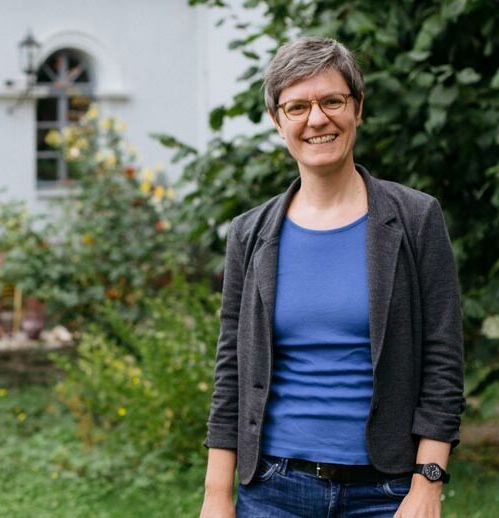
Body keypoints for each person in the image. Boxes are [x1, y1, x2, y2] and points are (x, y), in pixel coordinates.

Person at [199, 36, 464, 518]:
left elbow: (443, 359)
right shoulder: (250, 235)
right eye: (297, 106)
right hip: (273, 490)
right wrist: (217, 495)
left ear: (357, 109)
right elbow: (231, 370)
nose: (316, 118)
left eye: (332, 101)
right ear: (278, 122)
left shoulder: (415, 219)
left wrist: (427, 485)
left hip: (386, 494)